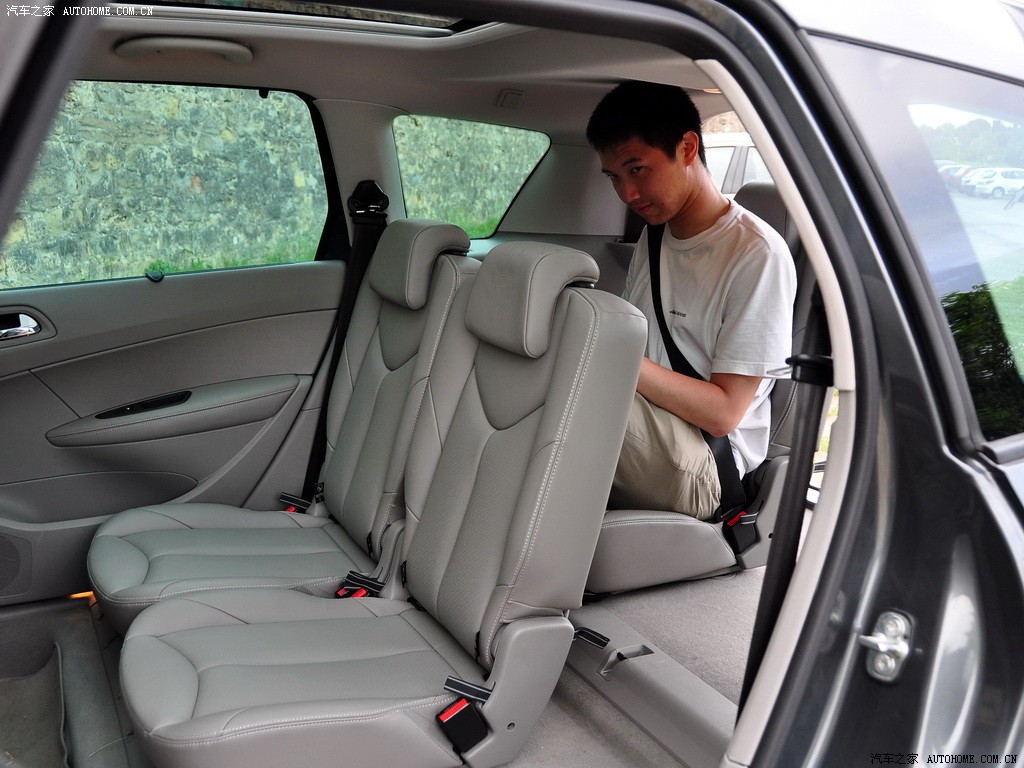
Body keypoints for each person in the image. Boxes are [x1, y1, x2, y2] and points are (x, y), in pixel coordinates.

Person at [587, 81, 797, 520]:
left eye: (637, 170)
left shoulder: (756, 254)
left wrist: (612, 354)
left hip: (705, 463)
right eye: (614, 178)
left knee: (568, 386)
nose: (628, 194)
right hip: (647, 423)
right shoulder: (655, 236)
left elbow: (724, 413)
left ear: (687, 147)